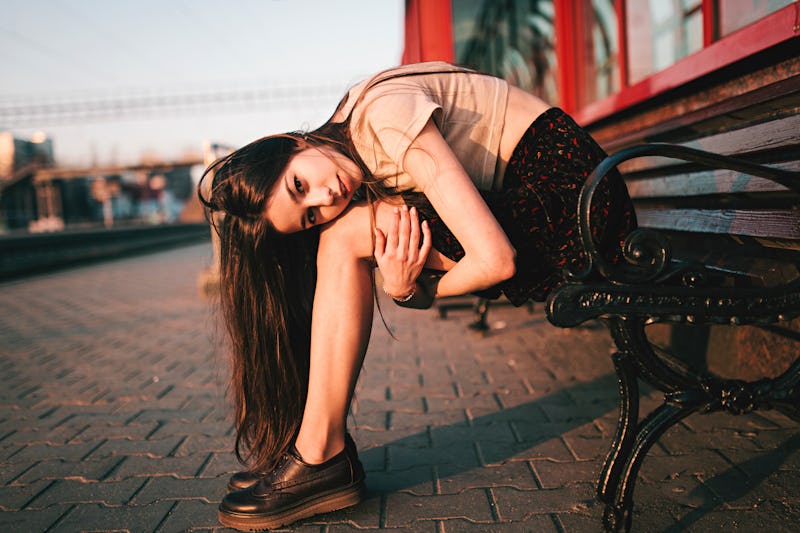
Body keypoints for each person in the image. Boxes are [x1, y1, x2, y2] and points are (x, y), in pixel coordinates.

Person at [198, 61, 635, 531]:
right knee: (342, 235)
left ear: (292, 143)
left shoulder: (382, 116)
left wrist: (407, 288)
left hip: (582, 211)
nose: (324, 199)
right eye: (308, 215)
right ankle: (314, 444)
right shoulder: (351, 131)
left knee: (343, 237)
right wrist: (410, 289)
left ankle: (320, 453)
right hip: (563, 198)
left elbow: (496, 260)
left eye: (300, 185)